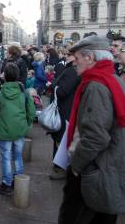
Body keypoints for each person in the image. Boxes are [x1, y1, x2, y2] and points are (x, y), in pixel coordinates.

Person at [58, 35, 125, 224]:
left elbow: (96, 137)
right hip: (109, 170)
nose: (74, 63)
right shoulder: (114, 79)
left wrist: (76, 166)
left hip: (94, 172)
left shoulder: (96, 86)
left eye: (77, 59)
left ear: (90, 58)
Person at [0, 63, 35, 196]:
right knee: (18, 156)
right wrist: (26, 124)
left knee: (6, 158)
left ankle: (6, 184)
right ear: (17, 76)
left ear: (5, 76)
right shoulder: (24, 92)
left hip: (4, 132)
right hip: (20, 130)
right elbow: (31, 112)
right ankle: (18, 181)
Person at [48, 51, 80, 180]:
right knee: (60, 138)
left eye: (69, 54)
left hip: (65, 110)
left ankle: (60, 168)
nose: (65, 56)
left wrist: (54, 86)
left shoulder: (72, 72)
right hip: (66, 110)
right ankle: (59, 166)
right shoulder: (70, 70)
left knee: (61, 139)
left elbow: (63, 91)